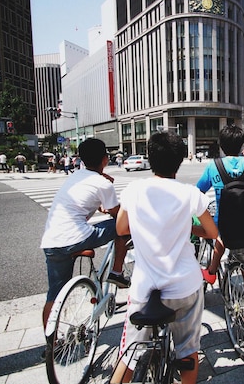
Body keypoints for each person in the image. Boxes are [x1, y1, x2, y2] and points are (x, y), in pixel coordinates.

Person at [111, 132, 218, 384]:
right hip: (185, 287)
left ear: (150, 158)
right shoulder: (190, 193)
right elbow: (212, 232)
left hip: (145, 289)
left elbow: (120, 228)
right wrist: (188, 227)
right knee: (188, 351)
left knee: (129, 355)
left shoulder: (134, 189)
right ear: (180, 160)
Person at [40, 138, 131, 330]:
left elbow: (89, 201)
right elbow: (117, 215)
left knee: (54, 295)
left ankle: (52, 343)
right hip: (77, 238)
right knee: (124, 227)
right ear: (105, 159)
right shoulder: (103, 184)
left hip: (51, 242)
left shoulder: (75, 176)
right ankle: (116, 272)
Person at [196, 125, 244, 284]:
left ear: (221, 145)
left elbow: (198, 191)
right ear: (242, 145)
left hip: (224, 224)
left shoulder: (213, 166)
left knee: (219, 235)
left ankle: (212, 271)